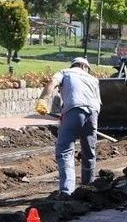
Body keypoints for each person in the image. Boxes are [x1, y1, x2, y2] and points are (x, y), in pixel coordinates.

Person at [39, 57, 102, 195]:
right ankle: (88, 189)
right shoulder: (93, 79)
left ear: (75, 65)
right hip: (93, 115)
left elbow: (52, 82)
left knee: (65, 150)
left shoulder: (65, 72)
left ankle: (67, 192)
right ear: (84, 66)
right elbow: (97, 104)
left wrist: (43, 99)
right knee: (89, 152)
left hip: (73, 110)